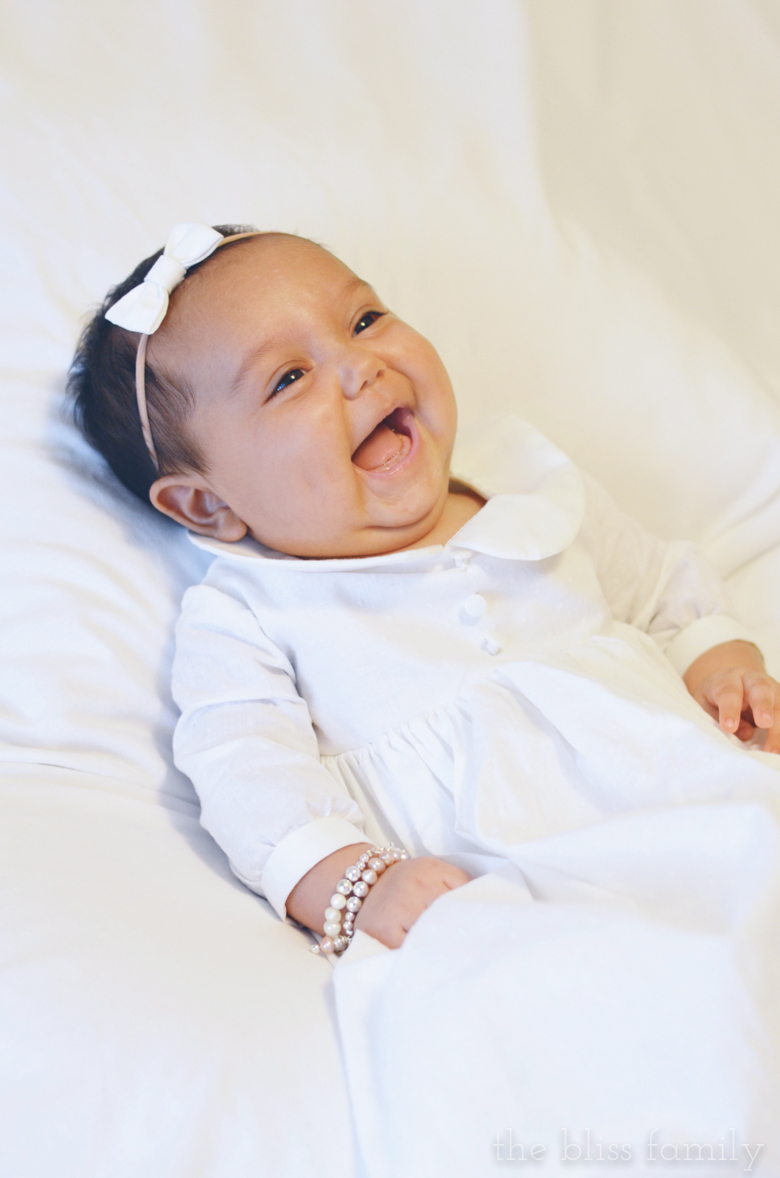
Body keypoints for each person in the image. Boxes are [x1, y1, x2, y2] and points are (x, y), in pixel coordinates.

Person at [69, 223, 780, 956]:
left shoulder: (527, 483)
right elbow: (244, 770)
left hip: (695, 793)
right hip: (508, 891)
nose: (361, 366)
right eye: (288, 379)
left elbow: (657, 586)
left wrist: (722, 669)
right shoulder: (250, 611)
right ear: (206, 504)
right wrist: (359, 887)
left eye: (364, 319)